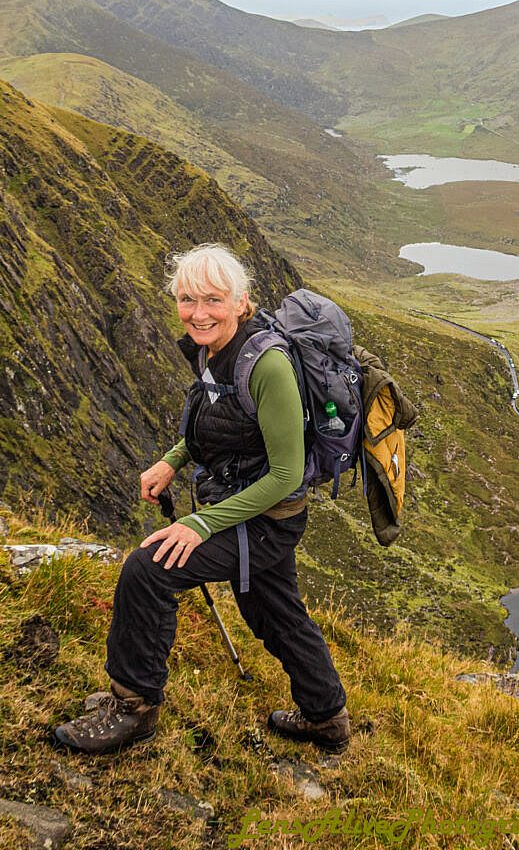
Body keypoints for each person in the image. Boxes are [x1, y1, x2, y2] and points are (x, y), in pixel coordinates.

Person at [54, 243, 350, 754]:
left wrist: (202, 524)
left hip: (268, 516)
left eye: (212, 300)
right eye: (187, 299)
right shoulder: (212, 350)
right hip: (243, 505)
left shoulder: (267, 366)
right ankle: (326, 718)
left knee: (147, 570)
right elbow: (219, 424)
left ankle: (133, 707)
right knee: (274, 610)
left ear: (241, 301)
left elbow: (284, 474)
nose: (198, 313)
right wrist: (173, 460)